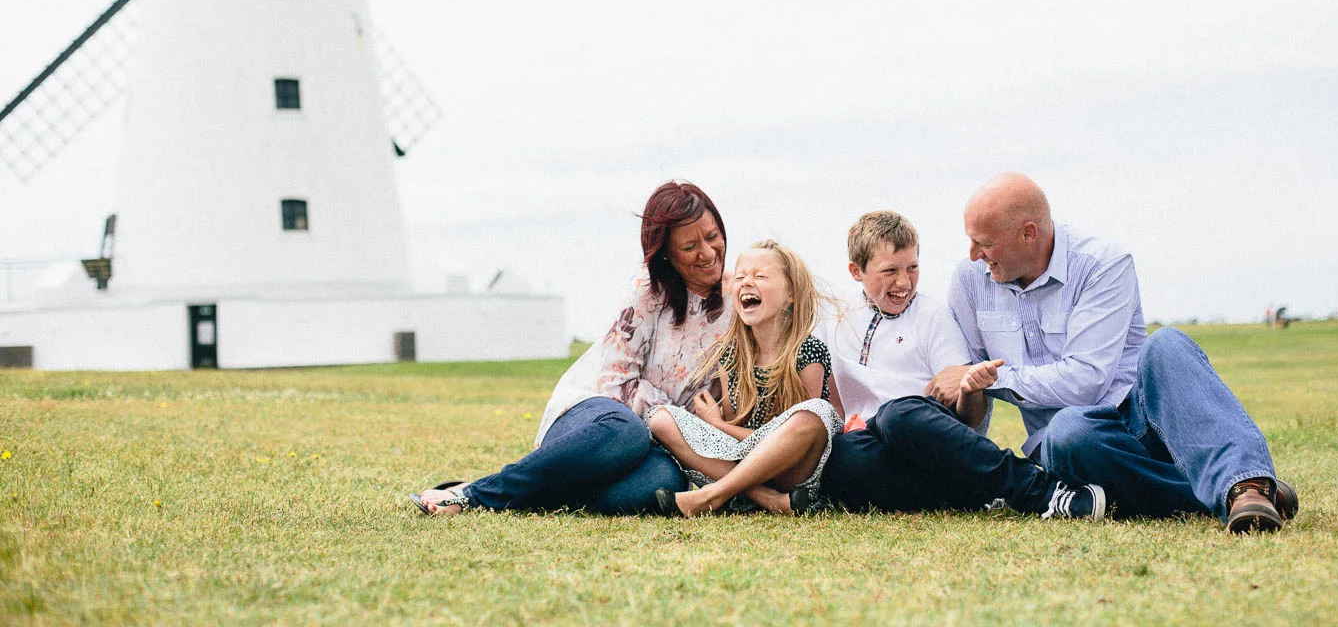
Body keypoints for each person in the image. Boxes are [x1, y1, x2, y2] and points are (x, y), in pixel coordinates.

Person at [942, 172, 1297, 533]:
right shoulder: (968, 281)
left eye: (984, 242)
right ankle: (1233, 493)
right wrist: (966, 445)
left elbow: (1085, 382)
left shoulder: (1103, 264)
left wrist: (990, 377)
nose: (973, 254)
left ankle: (1248, 486)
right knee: (1066, 430)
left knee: (1167, 343)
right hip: (1078, 446)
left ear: (1028, 233)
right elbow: (969, 396)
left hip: (1144, 423)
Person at [410, 180, 731, 515]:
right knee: (628, 431)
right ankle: (476, 495)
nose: (708, 253)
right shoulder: (648, 294)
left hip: (659, 447)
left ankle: (528, 491)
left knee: (664, 483)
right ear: (666, 252)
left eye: (712, 237)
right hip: (597, 423)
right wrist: (675, 420)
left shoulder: (738, 299)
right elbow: (616, 385)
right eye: (690, 246)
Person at [818, 211, 1105, 519]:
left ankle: (1043, 491)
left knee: (896, 415)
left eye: (912, 267)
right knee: (842, 459)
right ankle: (973, 490)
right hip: (874, 445)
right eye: (889, 271)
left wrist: (970, 389)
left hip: (923, 433)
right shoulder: (837, 316)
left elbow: (969, 419)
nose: (904, 282)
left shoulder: (934, 318)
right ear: (856, 271)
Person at [649, 240, 843, 516]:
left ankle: (712, 495)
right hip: (742, 462)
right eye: (740, 276)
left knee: (816, 412)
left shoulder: (808, 352)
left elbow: (789, 443)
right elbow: (739, 440)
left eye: (761, 276)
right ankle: (767, 499)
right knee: (660, 417)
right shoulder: (731, 356)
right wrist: (720, 427)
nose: (747, 282)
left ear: (790, 294)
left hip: (793, 474)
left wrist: (717, 424)